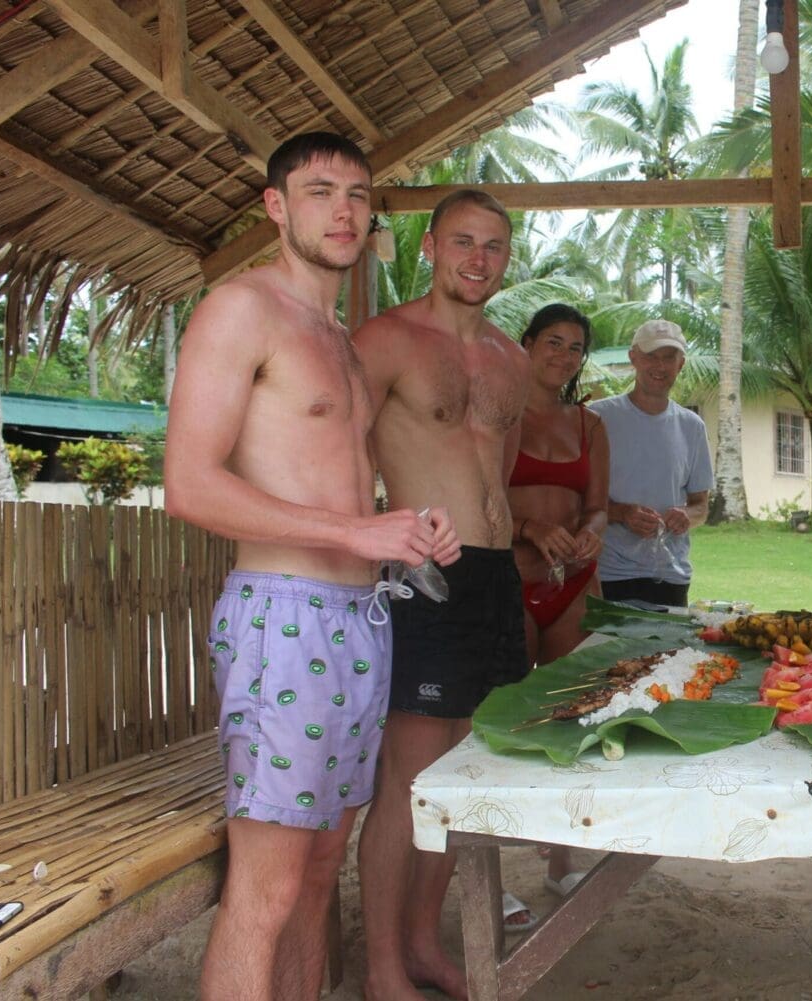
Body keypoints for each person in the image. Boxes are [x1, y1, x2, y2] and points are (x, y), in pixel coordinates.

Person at [165, 132, 460, 1001]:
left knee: (323, 865)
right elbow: (187, 484)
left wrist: (401, 529)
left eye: (359, 195)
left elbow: (328, 483)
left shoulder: (334, 336)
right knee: (267, 886)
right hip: (281, 619)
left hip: (357, 621)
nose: (343, 209)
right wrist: (353, 532)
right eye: (321, 190)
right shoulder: (241, 308)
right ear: (275, 206)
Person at [353, 189, 532, 1001]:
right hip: (421, 578)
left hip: (493, 579)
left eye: (493, 246)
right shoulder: (386, 340)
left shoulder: (510, 359)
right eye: (462, 241)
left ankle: (424, 943)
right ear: (429, 247)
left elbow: (498, 477)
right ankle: (383, 965)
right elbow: (336, 454)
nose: (478, 259)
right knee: (411, 780)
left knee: (465, 772)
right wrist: (376, 533)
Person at [509, 302, 609, 896]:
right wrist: (528, 529)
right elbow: (484, 497)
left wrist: (593, 528)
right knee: (505, 718)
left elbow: (598, 501)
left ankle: (562, 861)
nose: (564, 356)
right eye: (553, 342)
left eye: (575, 347)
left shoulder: (590, 425)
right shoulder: (498, 415)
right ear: (526, 343)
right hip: (511, 581)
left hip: (574, 582)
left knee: (572, 715)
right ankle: (493, 865)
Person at [591, 319, 712, 607]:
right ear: (633, 357)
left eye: (669, 357)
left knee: (669, 653)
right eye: (651, 356)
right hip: (608, 574)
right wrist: (622, 513)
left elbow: (701, 506)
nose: (660, 366)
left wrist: (686, 515)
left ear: (681, 363)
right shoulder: (598, 418)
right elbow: (573, 500)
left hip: (671, 576)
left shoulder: (692, 426)